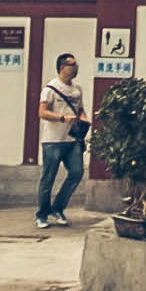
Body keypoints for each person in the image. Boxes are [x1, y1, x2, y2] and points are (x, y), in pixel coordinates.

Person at [32, 53, 88, 229]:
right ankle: (42, 215)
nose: (76, 68)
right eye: (72, 65)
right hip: (52, 141)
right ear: (62, 67)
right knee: (48, 178)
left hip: (72, 140)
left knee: (77, 172)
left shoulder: (77, 89)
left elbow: (80, 110)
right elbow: (42, 113)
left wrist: (84, 119)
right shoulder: (50, 88)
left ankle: (58, 208)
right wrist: (62, 118)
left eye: (76, 64)